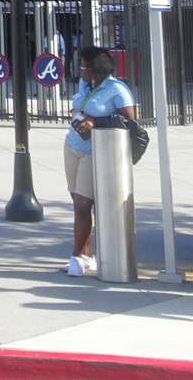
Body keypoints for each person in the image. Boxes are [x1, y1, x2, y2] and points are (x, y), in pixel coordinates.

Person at [64, 46, 137, 277]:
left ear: (93, 70)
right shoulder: (86, 86)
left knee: (83, 205)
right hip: (73, 145)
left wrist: (96, 121)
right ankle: (87, 255)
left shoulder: (117, 89)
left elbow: (130, 121)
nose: (80, 70)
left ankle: (76, 256)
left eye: (83, 66)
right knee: (77, 201)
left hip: (93, 152)